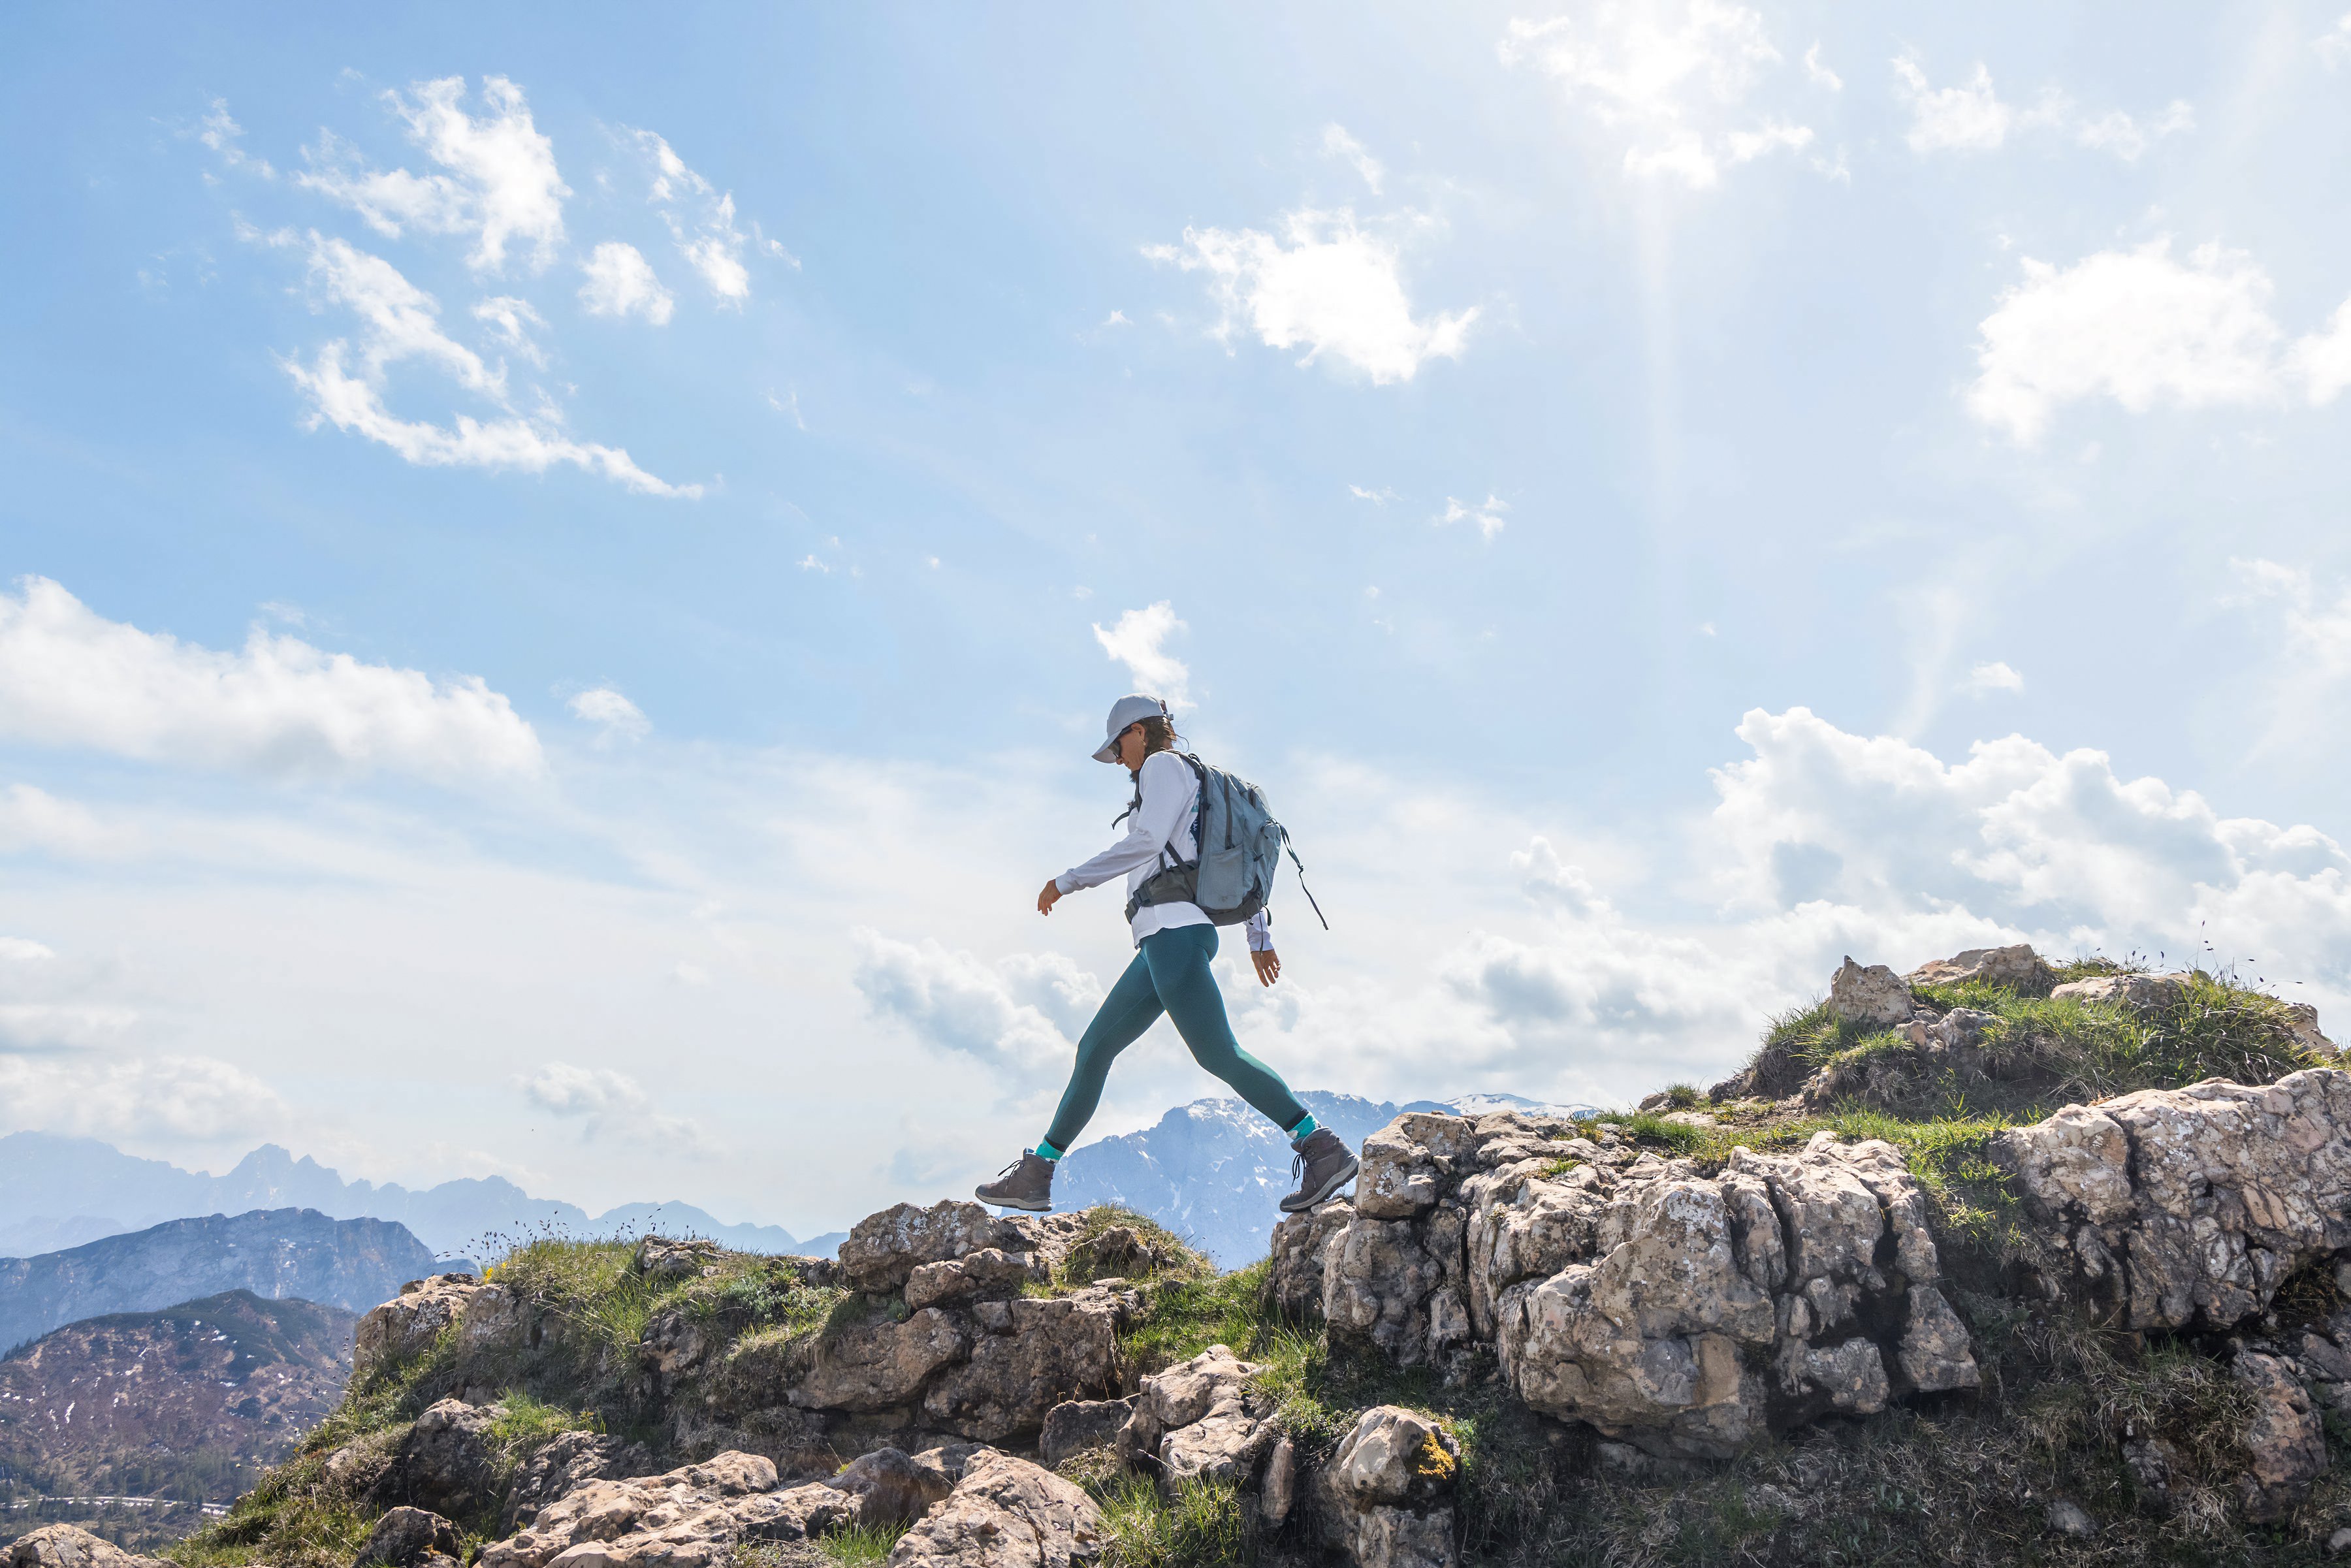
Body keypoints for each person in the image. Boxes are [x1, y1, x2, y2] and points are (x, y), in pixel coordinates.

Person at [975, 694, 1359, 1216]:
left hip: (1172, 932)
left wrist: (1068, 881)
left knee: (1217, 1052)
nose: (1119, 760)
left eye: (1118, 746)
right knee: (1094, 1048)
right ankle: (1037, 1174)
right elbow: (1222, 860)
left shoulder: (1162, 766)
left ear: (1139, 731)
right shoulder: (1188, 777)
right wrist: (1257, 936)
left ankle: (1321, 1147)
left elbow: (1149, 841)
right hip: (1165, 936)